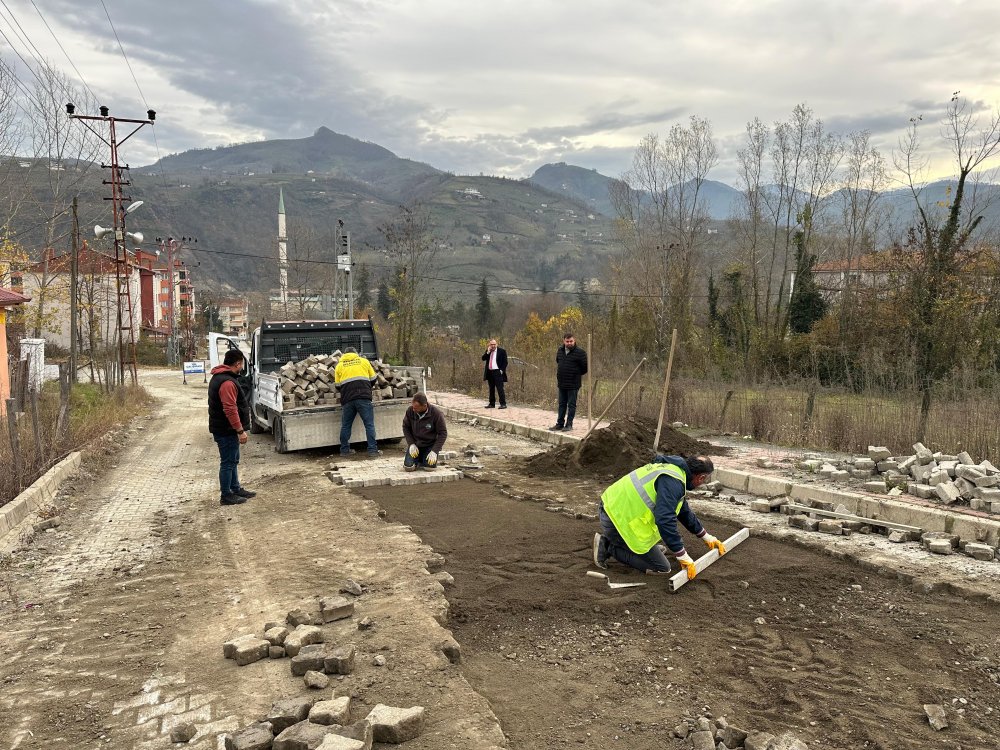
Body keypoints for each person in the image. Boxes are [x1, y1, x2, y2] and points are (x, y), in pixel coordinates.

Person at [592, 455, 725, 579]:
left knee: (656, 550)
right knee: (662, 568)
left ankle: (630, 547)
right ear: (701, 477)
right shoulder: (673, 482)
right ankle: (608, 546)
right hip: (614, 518)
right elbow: (664, 520)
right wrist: (682, 555)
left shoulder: (675, 471)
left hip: (614, 506)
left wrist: (706, 536)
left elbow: (683, 510)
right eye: (705, 479)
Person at [208, 349, 256, 506]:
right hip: (226, 429)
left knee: (233, 460)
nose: (241, 367)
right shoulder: (227, 382)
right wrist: (240, 430)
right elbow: (230, 409)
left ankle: (235, 488)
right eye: (241, 364)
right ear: (237, 364)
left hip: (226, 428)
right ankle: (226, 495)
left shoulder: (221, 377)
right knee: (228, 462)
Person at [334, 346, 381, 458]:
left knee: (346, 425)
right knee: (369, 425)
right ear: (356, 353)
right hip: (364, 398)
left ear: (344, 354)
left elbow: (337, 386)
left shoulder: (339, 366)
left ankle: (344, 451)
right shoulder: (364, 361)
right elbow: (373, 379)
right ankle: (372, 451)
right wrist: (366, 387)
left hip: (348, 400)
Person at [551, 332, 587, 431]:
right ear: (564, 341)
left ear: (574, 341)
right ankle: (559, 424)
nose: (569, 343)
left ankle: (569, 425)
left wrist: (574, 374)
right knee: (561, 404)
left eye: (571, 341)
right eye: (567, 341)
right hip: (562, 382)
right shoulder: (560, 350)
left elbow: (585, 368)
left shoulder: (580, 353)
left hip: (573, 384)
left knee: (571, 405)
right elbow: (558, 361)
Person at [402, 392, 448, 471]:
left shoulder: (436, 414)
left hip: (429, 445)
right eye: (413, 407)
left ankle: (422, 459)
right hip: (416, 445)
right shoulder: (410, 411)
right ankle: (418, 459)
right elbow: (405, 427)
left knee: (429, 468)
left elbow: (443, 433)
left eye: (416, 408)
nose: (413, 409)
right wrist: (411, 444)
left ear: (424, 406)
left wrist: (434, 451)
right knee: (408, 467)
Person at [481, 338, 508, 409]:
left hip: (498, 372)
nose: (493, 346)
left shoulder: (502, 351)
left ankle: (503, 404)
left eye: (494, 344)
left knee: (500, 388)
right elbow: (483, 358)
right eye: (491, 344)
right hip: (490, 372)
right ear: (489, 345)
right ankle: (492, 404)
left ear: (497, 344)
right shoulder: (488, 351)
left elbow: (505, 362)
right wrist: (488, 352)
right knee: (491, 389)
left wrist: (501, 370)